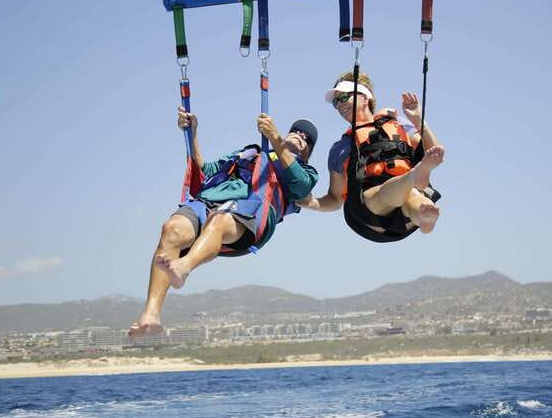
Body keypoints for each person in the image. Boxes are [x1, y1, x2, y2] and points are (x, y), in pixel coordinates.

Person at [128, 108, 318, 336]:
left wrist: (274, 138)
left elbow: (301, 186)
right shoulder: (251, 152)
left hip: (252, 212)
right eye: (296, 131)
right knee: (172, 228)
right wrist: (192, 132)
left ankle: (183, 267)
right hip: (210, 200)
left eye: (307, 139)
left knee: (218, 219)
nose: (300, 135)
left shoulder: (305, 171)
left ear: (308, 152)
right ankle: (151, 315)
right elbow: (206, 170)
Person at [299, 71, 443, 239]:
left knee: (411, 195)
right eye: (335, 102)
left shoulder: (397, 124)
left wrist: (418, 120)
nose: (339, 105)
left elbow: (434, 153)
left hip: (407, 214)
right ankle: (414, 178)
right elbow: (335, 198)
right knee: (386, 192)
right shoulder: (340, 148)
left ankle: (423, 217)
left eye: (344, 97)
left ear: (365, 97)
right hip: (369, 214)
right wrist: (312, 203)